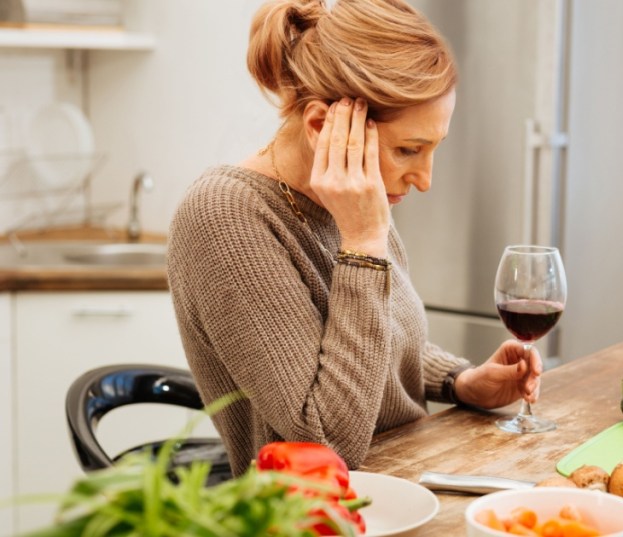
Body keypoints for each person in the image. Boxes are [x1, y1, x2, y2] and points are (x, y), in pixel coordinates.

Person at [167, 0, 541, 475]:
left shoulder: (348, 198)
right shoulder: (225, 216)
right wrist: (364, 242)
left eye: (433, 148)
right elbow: (326, 445)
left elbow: (365, 337)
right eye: (409, 149)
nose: (425, 179)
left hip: (407, 486)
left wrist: (459, 381)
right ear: (324, 128)